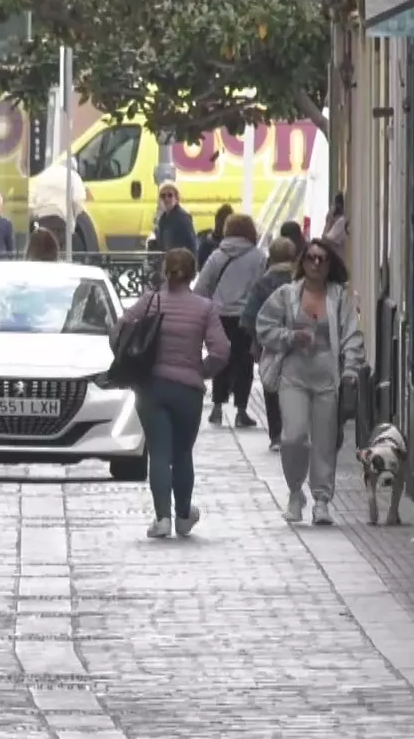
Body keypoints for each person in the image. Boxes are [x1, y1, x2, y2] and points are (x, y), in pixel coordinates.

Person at [115, 247, 229, 538]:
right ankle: (183, 516)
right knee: (181, 454)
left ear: (165, 270)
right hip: (188, 391)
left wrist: (129, 362)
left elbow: (119, 328)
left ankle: (162, 518)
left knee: (159, 452)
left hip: (151, 387)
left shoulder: (150, 302)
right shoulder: (204, 308)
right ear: (193, 273)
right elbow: (221, 350)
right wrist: (202, 370)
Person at [253, 238, 365, 526]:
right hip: (294, 374)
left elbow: (352, 334)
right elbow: (264, 326)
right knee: (293, 437)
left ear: (330, 265)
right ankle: (294, 493)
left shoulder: (339, 297)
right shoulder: (287, 295)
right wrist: (290, 337)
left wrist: (351, 369)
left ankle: (322, 500)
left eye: (322, 259)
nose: (316, 264)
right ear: (301, 262)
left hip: (328, 376)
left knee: (325, 441)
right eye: (311, 258)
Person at [196, 212, 268, 428]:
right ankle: (241, 410)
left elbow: (202, 286)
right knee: (244, 362)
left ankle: (217, 408)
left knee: (220, 359)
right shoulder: (259, 257)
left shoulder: (218, 256)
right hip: (246, 318)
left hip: (218, 316)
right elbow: (262, 288)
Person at [242, 237, 300, 450]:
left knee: (271, 385)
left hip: (271, 344)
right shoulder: (300, 281)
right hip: (296, 342)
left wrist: (255, 342)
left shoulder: (263, 283)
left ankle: (276, 435)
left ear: (271, 258)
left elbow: (250, 316)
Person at [152, 181, 196, 254]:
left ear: (176, 197)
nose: (166, 199)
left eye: (170, 195)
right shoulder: (163, 218)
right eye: (163, 196)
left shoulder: (183, 218)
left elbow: (192, 246)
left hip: (180, 262)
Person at [197, 203, 233, 270]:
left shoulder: (228, 245)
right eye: (222, 220)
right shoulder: (202, 238)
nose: (223, 225)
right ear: (216, 219)